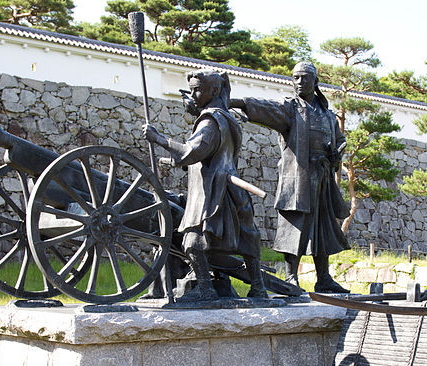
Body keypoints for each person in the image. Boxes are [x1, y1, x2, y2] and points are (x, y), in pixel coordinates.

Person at [143, 70, 266, 301]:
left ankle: (206, 289)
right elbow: (210, 155)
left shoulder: (211, 120)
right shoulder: (225, 117)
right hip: (230, 188)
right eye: (191, 89)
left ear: (215, 91)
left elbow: (194, 151)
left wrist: (158, 138)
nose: (193, 94)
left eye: (197, 89)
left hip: (214, 192)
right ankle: (258, 288)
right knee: (247, 238)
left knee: (192, 241)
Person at [230, 61, 350, 293]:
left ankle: (323, 278)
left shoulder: (328, 115)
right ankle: (290, 277)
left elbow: (340, 139)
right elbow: (264, 107)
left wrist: (337, 152)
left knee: (322, 228)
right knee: (295, 226)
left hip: (322, 177)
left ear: (315, 82)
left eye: (304, 78)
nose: (299, 82)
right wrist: (231, 102)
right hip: (298, 179)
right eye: (295, 78)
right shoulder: (291, 109)